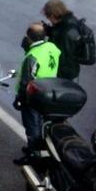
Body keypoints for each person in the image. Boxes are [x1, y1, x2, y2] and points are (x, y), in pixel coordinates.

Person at [13, 23, 62, 163]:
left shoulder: (33, 55)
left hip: (34, 95)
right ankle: (39, 150)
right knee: (41, 123)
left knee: (32, 125)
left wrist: (20, 98)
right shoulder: (51, 47)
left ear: (29, 38)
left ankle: (33, 155)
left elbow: (26, 81)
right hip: (48, 91)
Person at [42, 0, 83, 80]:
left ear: (53, 15)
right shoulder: (67, 21)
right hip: (70, 70)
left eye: (48, 17)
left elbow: (62, 55)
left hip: (63, 72)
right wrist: (49, 30)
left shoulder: (66, 30)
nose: (49, 20)